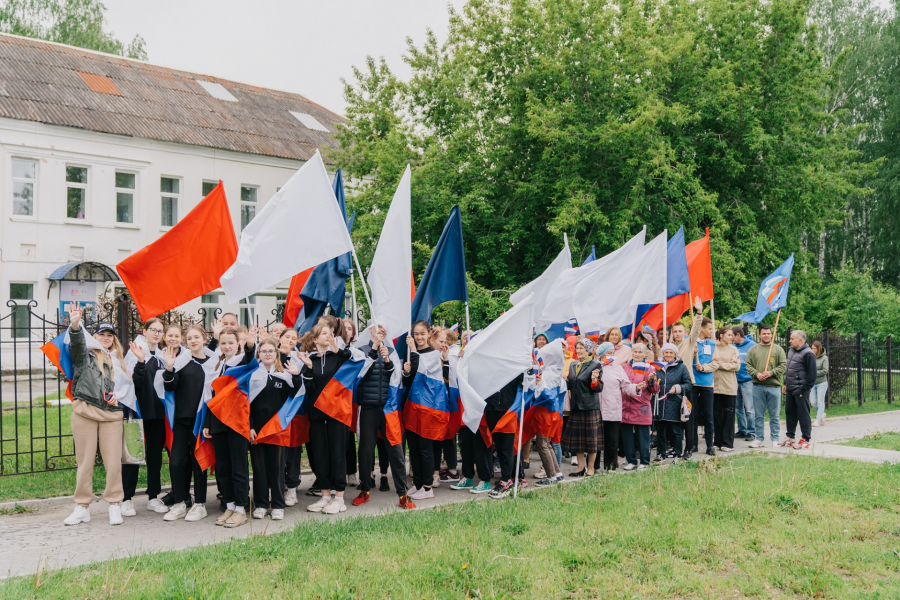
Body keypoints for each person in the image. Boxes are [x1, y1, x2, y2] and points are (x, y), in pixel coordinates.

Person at [62, 305, 127, 526]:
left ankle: (114, 505)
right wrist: (75, 324)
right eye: (102, 334)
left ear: (114, 339)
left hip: (112, 416)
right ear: (95, 336)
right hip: (85, 412)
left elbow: (128, 388)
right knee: (85, 462)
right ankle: (82, 507)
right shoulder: (85, 355)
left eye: (110, 335)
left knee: (113, 463)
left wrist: (118, 397)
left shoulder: (119, 360)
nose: (106, 338)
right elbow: (77, 342)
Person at [352, 324, 415, 509]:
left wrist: (387, 359)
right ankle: (365, 489)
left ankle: (403, 494)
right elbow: (359, 374)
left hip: (388, 408)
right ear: (369, 331)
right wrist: (374, 349)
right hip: (368, 408)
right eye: (376, 328)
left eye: (383, 329)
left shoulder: (392, 351)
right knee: (366, 450)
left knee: (396, 450)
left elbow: (396, 376)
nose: (380, 331)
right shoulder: (360, 350)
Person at [203, 326, 257, 528]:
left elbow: (251, 359)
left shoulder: (241, 363)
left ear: (238, 344)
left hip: (236, 420)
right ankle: (230, 505)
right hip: (217, 421)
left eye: (231, 343)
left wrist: (250, 345)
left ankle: (242, 508)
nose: (226, 346)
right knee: (223, 468)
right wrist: (208, 423)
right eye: (223, 343)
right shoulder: (217, 367)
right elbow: (211, 397)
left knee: (238, 467)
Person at [161, 324, 216, 522]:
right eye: (189, 338)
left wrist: (209, 421)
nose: (193, 341)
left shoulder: (214, 362)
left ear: (203, 339)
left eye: (196, 337)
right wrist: (168, 368)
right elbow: (170, 386)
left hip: (201, 420)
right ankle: (180, 502)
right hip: (183, 419)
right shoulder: (181, 361)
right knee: (176, 462)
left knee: (198, 461)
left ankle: (200, 504)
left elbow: (216, 394)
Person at [299, 323, 353, 514]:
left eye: (331, 333)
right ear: (315, 340)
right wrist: (307, 369)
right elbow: (308, 389)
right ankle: (325, 496)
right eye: (324, 333)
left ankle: (339, 498)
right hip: (316, 414)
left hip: (337, 413)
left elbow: (354, 362)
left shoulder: (339, 356)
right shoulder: (310, 359)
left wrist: (338, 350)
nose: (329, 336)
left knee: (337, 454)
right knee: (320, 454)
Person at [249, 339, 301, 521]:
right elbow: (245, 405)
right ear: (258, 355)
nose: (268, 354)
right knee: (259, 468)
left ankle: (278, 504)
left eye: (271, 351)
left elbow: (297, 395)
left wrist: (296, 376)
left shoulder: (284, 375)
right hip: (257, 430)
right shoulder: (252, 375)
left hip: (277, 428)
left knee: (278, 468)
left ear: (277, 354)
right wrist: (250, 426)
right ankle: (261, 504)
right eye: (264, 351)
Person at [402, 320, 450, 500]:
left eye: (422, 334)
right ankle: (418, 483)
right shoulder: (411, 353)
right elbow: (409, 380)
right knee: (413, 448)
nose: (419, 337)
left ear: (429, 334)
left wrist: (413, 351)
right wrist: (406, 372)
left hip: (429, 408)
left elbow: (424, 370)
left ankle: (428, 487)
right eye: (416, 334)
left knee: (425, 448)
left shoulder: (433, 354)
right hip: (412, 407)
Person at [125, 318, 168, 514]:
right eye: (153, 330)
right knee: (133, 455)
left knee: (154, 455)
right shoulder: (135, 350)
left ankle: (153, 496)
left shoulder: (162, 354)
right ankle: (126, 498)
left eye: (160, 331)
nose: (156, 334)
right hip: (137, 409)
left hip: (158, 411)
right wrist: (141, 361)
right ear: (145, 331)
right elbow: (131, 380)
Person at [596, 343, 643, 470]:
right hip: (596, 409)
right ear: (601, 354)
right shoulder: (595, 366)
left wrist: (636, 387)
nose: (611, 356)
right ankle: (593, 467)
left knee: (612, 441)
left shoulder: (618, 368)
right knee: (596, 442)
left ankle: (610, 467)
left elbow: (626, 386)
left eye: (612, 353)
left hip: (613, 409)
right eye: (608, 353)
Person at [562, 339, 603, 477]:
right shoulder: (573, 364)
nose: (578, 351)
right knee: (578, 440)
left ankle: (590, 468)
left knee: (591, 441)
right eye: (577, 348)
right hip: (576, 407)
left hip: (589, 407)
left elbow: (599, 388)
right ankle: (580, 467)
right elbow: (569, 382)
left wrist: (594, 380)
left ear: (589, 350)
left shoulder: (595, 365)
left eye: (582, 348)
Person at [697, 327, 740, 453]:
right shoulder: (712, 347)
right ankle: (717, 441)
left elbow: (736, 365)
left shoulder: (733, 349)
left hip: (729, 386)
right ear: (721, 335)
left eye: (732, 335)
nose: (731, 337)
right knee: (715, 415)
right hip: (714, 385)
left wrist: (719, 365)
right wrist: (716, 365)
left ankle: (727, 442)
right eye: (729, 335)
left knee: (728, 415)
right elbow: (709, 361)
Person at [530, 339, 566, 487]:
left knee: (542, 444)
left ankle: (551, 476)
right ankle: (557, 473)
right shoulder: (556, 370)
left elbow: (547, 395)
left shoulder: (549, 373)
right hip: (553, 413)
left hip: (546, 413)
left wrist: (538, 384)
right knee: (548, 444)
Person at [746, 324, 787, 449]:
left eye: (768, 333)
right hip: (758, 386)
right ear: (759, 335)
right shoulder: (753, 350)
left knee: (774, 415)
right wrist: (756, 374)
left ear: (771, 334)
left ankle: (775, 439)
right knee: (758, 415)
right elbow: (748, 365)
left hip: (774, 387)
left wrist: (770, 373)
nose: (766, 335)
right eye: (764, 333)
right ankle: (759, 439)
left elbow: (783, 365)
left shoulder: (778, 349)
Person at [621, 343, 658, 470]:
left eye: (640, 352)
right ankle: (631, 460)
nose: (637, 354)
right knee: (627, 436)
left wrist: (651, 381)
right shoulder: (626, 366)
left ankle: (645, 461)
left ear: (644, 353)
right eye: (635, 352)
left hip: (641, 405)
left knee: (643, 436)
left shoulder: (649, 368)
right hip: (626, 405)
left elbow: (655, 390)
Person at [277, 328, 304, 507]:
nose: (290, 340)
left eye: (294, 338)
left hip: (293, 412)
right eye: (287, 337)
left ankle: (292, 488)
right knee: (277, 453)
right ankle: (277, 487)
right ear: (280, 338)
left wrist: (288, 355)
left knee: (293, 450)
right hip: (274, 412)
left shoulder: (299, 358)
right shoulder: (269, 353)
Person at [431, 327, 460, 487]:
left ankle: (453, 469)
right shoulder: (435, 355)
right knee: (443, 437)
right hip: (440, 400)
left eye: (445, 341)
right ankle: (445, 468)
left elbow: (449, 377)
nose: (443, 344)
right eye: (440, 341)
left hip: (449, 400)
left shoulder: (453, 355)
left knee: (448, 437)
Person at [654, 343, 692, 461]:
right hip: (659, 404)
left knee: (676, 430)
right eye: (666, 352)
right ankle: (660, 453)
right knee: (660, 431)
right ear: (663, 353)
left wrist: (677, 388)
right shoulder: (657, 366)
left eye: (671, 353)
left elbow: (688, 384)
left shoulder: (682, 367)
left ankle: (677, 452)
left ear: (675, 354)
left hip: (674, 402)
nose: (669, 355)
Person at [783, 330, 817, 449]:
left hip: (801, 389)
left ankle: (806, 439)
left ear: (800, 340)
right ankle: (790, 437)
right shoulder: (791, 350)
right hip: (790, 388)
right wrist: (785, 383)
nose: (790, 341)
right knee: (790, 413)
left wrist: (802, 389)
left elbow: (812, 376)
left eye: (792, 339)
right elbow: (789, 369)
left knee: (803, 414)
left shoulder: (808, 354)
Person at [691, 316, 717, 457]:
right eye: (710, 329)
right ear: (702, 328)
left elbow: (715, 363)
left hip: (707, 383)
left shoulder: (713, 344)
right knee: (693, 415)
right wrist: (691, 352)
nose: (712, 331)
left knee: (708, 416)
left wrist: (704, 368)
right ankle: (693, 444)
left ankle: (710, 445)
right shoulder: (691, 342)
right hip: (694, 383)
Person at [732, 327, 757, 441]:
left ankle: (751, 431)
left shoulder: (752, 345)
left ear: (738, 335)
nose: (731, 338)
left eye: (732, 336)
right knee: (738, 408)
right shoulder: (733, 347)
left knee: (749, 408)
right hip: (735, 379)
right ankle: (742, 430)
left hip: (747, 380)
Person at [810, 340, 829, 427]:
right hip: (812, 383)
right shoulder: (810, 357)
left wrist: (814, 372)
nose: (813, 350)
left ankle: (817, 420)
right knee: (813, 402)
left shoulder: (824, 358)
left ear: (819, 348)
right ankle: (822, 414)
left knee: (820, 402)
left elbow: (825, 370)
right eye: (812, 348)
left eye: (815, 348)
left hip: (821, 383)